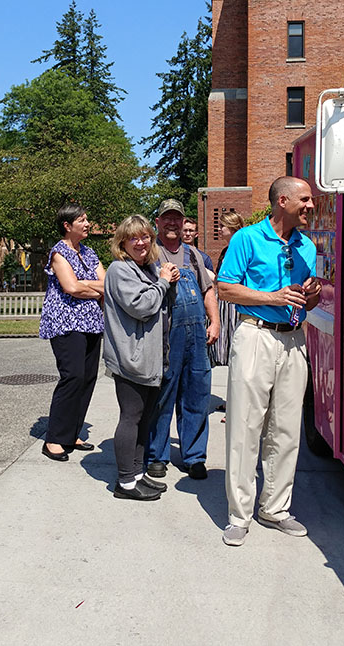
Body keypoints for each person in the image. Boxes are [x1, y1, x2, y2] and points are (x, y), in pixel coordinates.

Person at [217, 176, 321, 547]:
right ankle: (239, 514)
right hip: (256, 335)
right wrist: (272, 298)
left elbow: (305, 300)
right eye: (305, 200)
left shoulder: (306, 247)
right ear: (282, 200)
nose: (311, 206)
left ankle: (275, 509)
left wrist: (314, 293)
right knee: (245, 426)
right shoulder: (247, 239)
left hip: (293, 341)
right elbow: (225, 288)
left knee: (287, 429)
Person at [102, 215, 178, 501]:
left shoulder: (146, 268)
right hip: (131, 357)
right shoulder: (120, 270)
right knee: (131, 417)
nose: (141, 242)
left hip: (150, 356)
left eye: (145, 236)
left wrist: (167, 282)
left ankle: (136, 474)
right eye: (133, 238)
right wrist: (162, 283)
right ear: (123, 242)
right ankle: (125, 482)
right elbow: (142, 305)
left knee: (144, 419)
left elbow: (159, 301)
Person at [145, 199, 220, 481]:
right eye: (167, 218)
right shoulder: (150, 254)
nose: (172, 223)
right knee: (163, 395)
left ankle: (195, 456)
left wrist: (215, 321)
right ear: (158, 222)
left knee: (197, 395)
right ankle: (157, 456)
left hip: (197, 335)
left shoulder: (194, 256)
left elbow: (208, 291)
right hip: (165, 334)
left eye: (177, 218)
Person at [38, 202, 105, 461]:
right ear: (68, 226)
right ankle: (55, 438)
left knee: (88, 378)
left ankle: (72, 433)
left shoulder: (88, 253)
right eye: (82, 220)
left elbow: (107, 282)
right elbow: (70, 288)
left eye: (87, 219)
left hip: (91, 322)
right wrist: (91, 288)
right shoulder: (59, 253)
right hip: (65, 322)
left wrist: (86, 284)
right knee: (72, 376)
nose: (88, 224)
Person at [211, 210, 246, 370]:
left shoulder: (240, 248)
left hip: (235, 303)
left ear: (232, 227)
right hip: (224, 302)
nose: (219, 230)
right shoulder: (226, 250)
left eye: (222, 226)